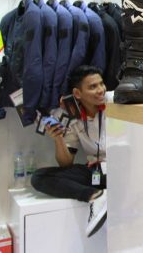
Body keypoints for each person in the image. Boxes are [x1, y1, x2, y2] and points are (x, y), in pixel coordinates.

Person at [31, 65, 108, 238]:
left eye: (101, 84)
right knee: (39, 177)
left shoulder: (116, 103)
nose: (100, 90)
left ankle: (101, 194)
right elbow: (66, 163)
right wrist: (58, 138)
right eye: (93, 86)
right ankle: (96, 196)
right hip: (95, 172)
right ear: (77, 93)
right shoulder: (73, 117)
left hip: (120, 170)